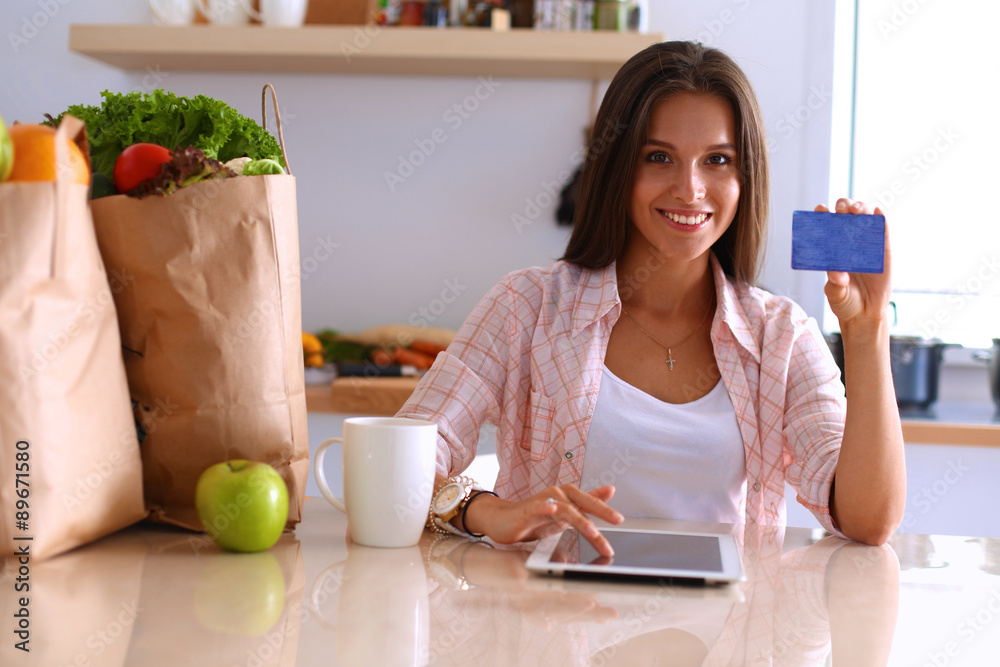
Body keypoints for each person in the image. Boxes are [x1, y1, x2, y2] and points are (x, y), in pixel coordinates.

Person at [398, 41, 905, 554]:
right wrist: (485, 512)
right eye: (659, 157)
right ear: (618, 167)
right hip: (554, 627)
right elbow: (393, 465)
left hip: (729, 632)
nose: (689, 189)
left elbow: (868, 521)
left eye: (717, 160)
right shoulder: (526, 306)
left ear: (744, 177)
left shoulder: (780, 335)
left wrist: (867, 331)